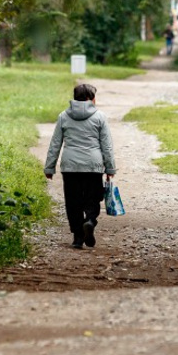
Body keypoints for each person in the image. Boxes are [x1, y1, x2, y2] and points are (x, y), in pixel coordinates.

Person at [44, 83, 116, 249]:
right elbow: (107, 145)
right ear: (90, 98)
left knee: (73, 202)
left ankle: (78, 237)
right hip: (93, 165)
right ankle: (90, 220)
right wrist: (110, 168)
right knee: (93, 198)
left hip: (70, 166)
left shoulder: (63, 116)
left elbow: (55, 144)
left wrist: (49, 167)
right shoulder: (100, 116)